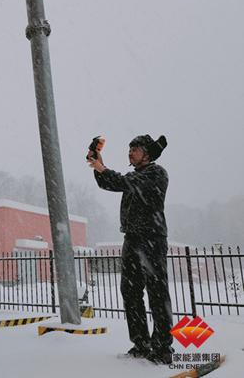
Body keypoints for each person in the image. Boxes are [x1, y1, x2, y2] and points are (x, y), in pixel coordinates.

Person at [87, 134, 174, 364]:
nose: (130, 152)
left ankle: (163, 347)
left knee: (157, 292)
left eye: (135, 149)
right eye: (129, 149)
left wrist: (102, 168)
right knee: (130, 291)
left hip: (152, 238)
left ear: (147, 153)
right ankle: (141, 343)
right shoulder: (134, 175)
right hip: (132, 239)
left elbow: (124, 183)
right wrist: (99, 165)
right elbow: (108, 183)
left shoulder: (156, 173)